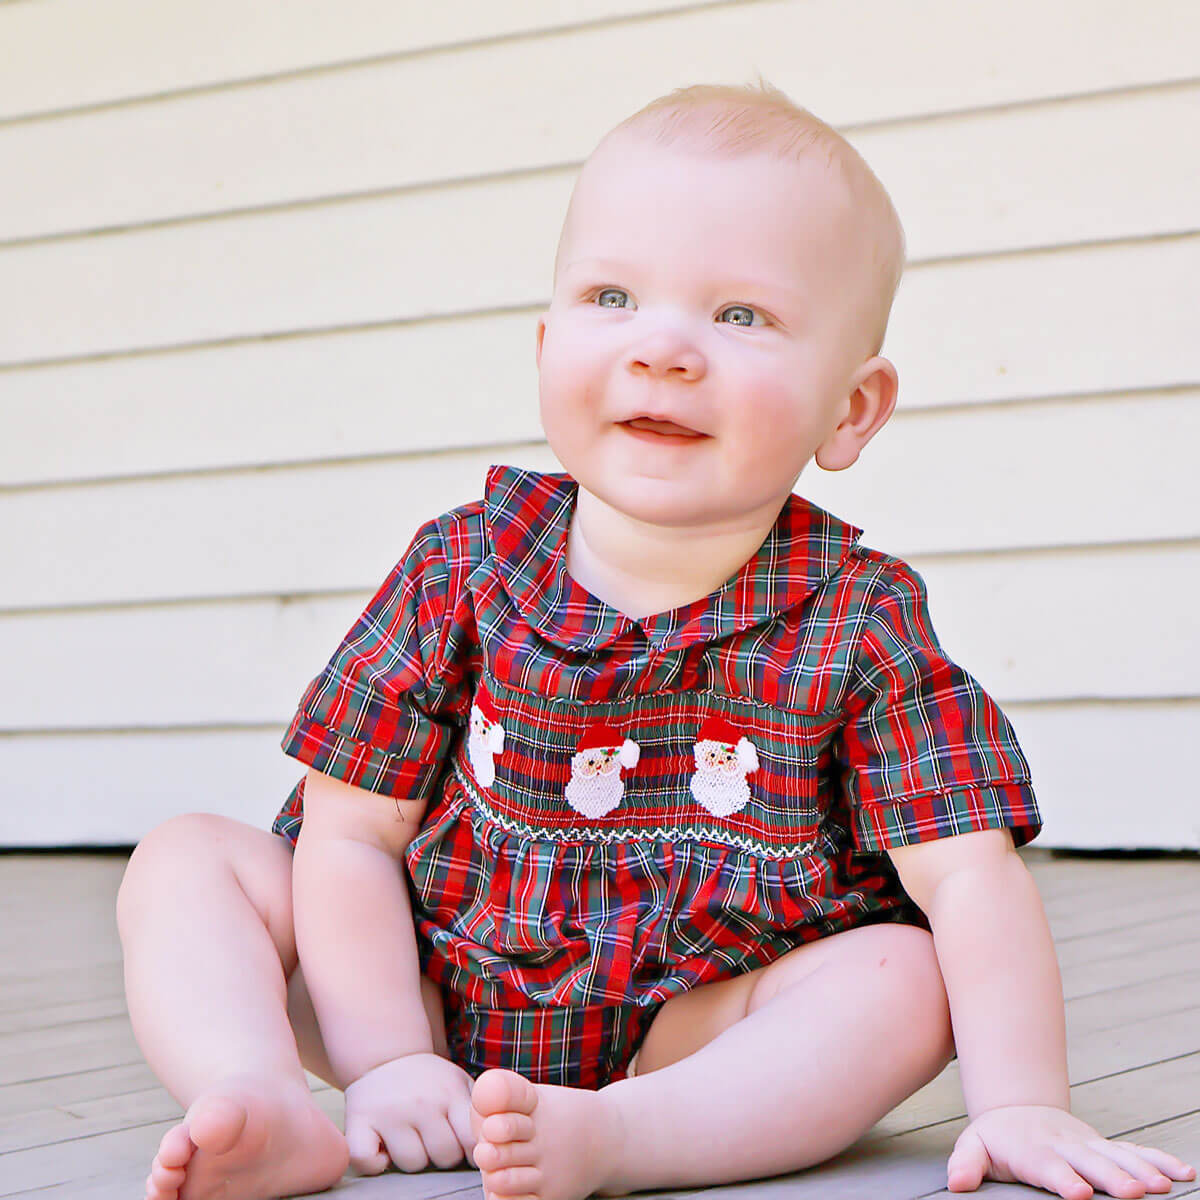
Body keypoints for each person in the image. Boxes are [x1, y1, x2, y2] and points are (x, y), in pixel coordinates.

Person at [116, 80, 1196, 1200]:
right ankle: (254, 1100)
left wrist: (1022, 1098)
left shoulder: (859, 619)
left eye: (742, 316)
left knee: (909, 975)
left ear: (851, 410)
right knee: (190, 861)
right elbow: (348, 840)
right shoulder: (461, 567)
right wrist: (388, 1059)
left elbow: (970, 879)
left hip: (691, 1033)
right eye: (612, 296)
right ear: (546, 345)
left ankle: (625, 1136)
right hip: (414, 986)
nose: (664, 349)